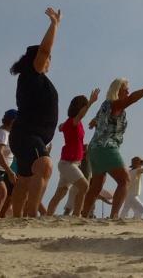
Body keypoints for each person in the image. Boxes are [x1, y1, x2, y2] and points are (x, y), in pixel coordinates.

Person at [8, 8, 62, 217]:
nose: (49, 60)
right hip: (27, 135)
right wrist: (54, 24)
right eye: (47, 58)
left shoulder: (34, 78)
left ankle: (18, 216)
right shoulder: (31, 73)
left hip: (27, 135)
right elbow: (45, 51)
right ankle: (31, 214)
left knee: (24, 179)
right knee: (45, 166)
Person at [81, 74, 143, 218]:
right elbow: (131, 99)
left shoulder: (106, 105)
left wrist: (94, 121)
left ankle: (84, 214)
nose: (128, 92)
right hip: (106, 147)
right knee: (125, 180)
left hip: (94, 149)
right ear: (117, 90)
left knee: (97, 185)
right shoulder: (115, 104)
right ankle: (114, 215)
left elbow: (98, 118)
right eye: (125, 89)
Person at [46, 88, 100, 216]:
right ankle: (76, 216)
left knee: (61, 193)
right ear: (80, 107)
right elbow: (81, 115)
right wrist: (91, 102)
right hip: (67, 164)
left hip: (72, 163)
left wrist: (82, 147)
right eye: (84, 105)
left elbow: (62, 128)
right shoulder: (73, 121)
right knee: (84, 187)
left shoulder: (73, 123)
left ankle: (48, 216)